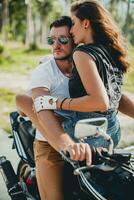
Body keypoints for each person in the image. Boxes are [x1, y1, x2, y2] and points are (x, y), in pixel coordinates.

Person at [16, 1, 133, 198]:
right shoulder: (44, 71)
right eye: (51, 40)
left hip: (91, 139)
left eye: (62, 39)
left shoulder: (87, 62)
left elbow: (114, 97)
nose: (56, 45)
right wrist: (68, 145)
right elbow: (42, 109)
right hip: (53, 141)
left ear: (75, 38)